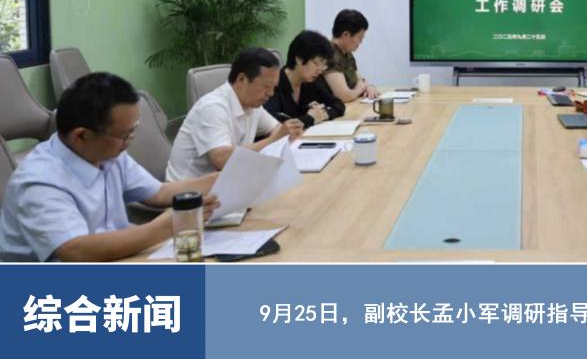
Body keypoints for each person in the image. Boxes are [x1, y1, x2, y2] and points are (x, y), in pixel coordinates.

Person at [0, 73, 220, 262]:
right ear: (81, 136)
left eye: (133, 130)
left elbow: (159, 192)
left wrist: (223, 178)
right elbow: (75, 251)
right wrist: (166, 226)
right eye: (125, 134)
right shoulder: (39, 180)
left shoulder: (106, 153)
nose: (130, 140)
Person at [166, 47, 304, 181]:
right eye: (266, 87)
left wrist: (287, 132)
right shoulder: (212, 107)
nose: (271, 93)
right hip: (188, 192)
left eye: (274, 87)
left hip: (227, 184)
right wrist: (273, 140)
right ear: (241, 79)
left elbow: (277, 130)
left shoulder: (253, 105)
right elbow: (222, 160)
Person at [264, 30, 345, 128]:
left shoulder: (310, 82)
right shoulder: (275, 84)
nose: (319, 70)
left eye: (323, 65)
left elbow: (338, 105)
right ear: (299, 59)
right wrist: (310, 118)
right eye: (316, 63)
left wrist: (320, 114)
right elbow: (274, 123)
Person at [324, 9, 378, 103]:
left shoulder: (346, 53)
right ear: (346, 34)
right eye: (359, 38)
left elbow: (360, 80)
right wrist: (359, 89)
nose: (360, 42)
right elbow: (343, 96)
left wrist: (369, 87)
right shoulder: (330, 55)